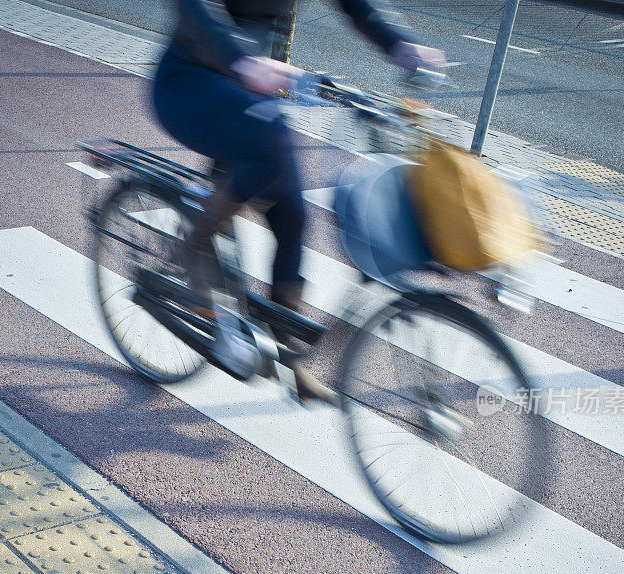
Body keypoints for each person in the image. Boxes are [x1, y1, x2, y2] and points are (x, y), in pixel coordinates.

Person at [152, 0, 445, 402]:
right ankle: (193, 247)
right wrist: (243, 61)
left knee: (292, 216)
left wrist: (402, 46)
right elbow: (194, 8)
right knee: (271, 144)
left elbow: (359, 6)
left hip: (249, 90)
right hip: (190, 83)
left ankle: (286, 358)